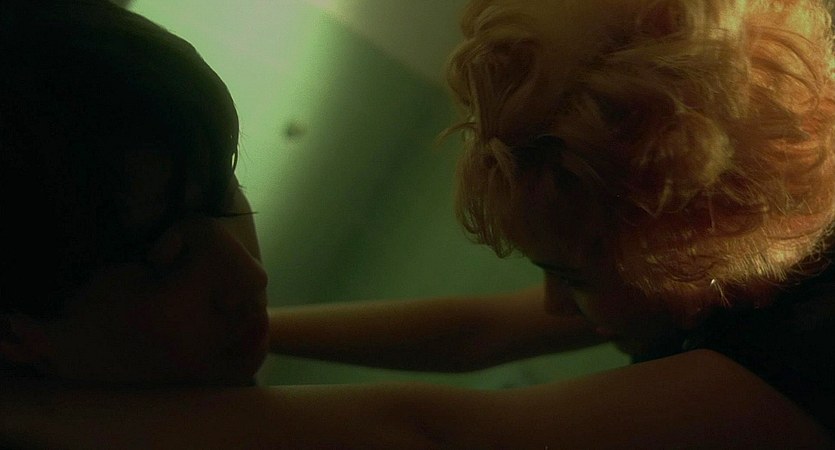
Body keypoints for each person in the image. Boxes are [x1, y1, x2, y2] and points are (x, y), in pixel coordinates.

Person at [1, 0, 832, 448]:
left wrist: (40, 413)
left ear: (681, 252)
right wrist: (257, 328)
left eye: (571, 276)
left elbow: (429, 431)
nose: (551, 304)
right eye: (168, 255)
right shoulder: (753, 252)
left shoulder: (809, 351)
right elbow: (475, 332)